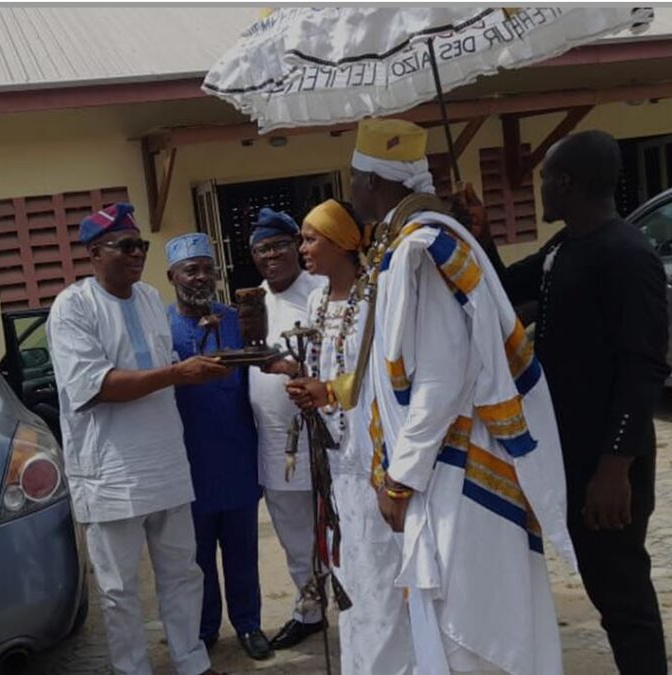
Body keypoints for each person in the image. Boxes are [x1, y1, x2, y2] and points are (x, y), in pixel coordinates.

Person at [290, 118, 576, 674]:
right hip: (431, 468)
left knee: (465, 625)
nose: (350, 190)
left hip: (451, 469)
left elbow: (441, 382)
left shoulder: (423, 251)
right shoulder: (402, 248)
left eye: (353, 178)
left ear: (372, 180)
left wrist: (402, 476)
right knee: (435, 623)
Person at [475, 130, 670, 674]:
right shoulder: (563, 248)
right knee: (603, 585)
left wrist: (615, 468)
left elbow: (643, 367)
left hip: (607, 458)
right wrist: (481, 235)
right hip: (566, 449)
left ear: (566, 182)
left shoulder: (628, 257)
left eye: (543, 179)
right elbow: (508, 292)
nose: (540, 188)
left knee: (622, 592)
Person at [46, 203, 228, 675]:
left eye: (140, 246)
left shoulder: (149, 297)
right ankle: (132, 669)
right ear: (93, 253)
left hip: (165, 461)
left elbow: (159, 371)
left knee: (183, 573)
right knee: (119, 587)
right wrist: (176, 373)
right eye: (125, 247)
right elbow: (98, 386)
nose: (136, 255)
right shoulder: (73, 307)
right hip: (111, 473)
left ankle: (191, 661)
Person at [283, 199, 414, 674]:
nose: (303, 249)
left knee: (382, 575)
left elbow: (377, 378)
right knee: (350, 574)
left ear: (340, 243)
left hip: (372, 454)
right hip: (334, 459)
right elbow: (323, 364)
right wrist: (304, 385)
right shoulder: (316, 301)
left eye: (310, 238)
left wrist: (329, 392)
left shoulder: (374, 297)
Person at [164, 233, 271, 661]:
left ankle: (249, 624)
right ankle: (206, 629)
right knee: (197, 558)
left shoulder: (237, 319)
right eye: (192, 269)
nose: (202, 276)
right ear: (173, 276)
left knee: (243, 550)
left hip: (237, 454)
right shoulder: (162, 325)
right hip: (188, 460)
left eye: (208, 267)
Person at [244, 208, 326, 649]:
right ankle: (309, 610)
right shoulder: (251, 303)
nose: (270, 255)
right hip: (277, 444)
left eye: (278, 245)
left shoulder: (323, 292)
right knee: (295, 536)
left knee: (342, 528)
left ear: (297, 244)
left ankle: (364, 604)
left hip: (327, 436)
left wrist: (290, 367)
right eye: (261, 249)